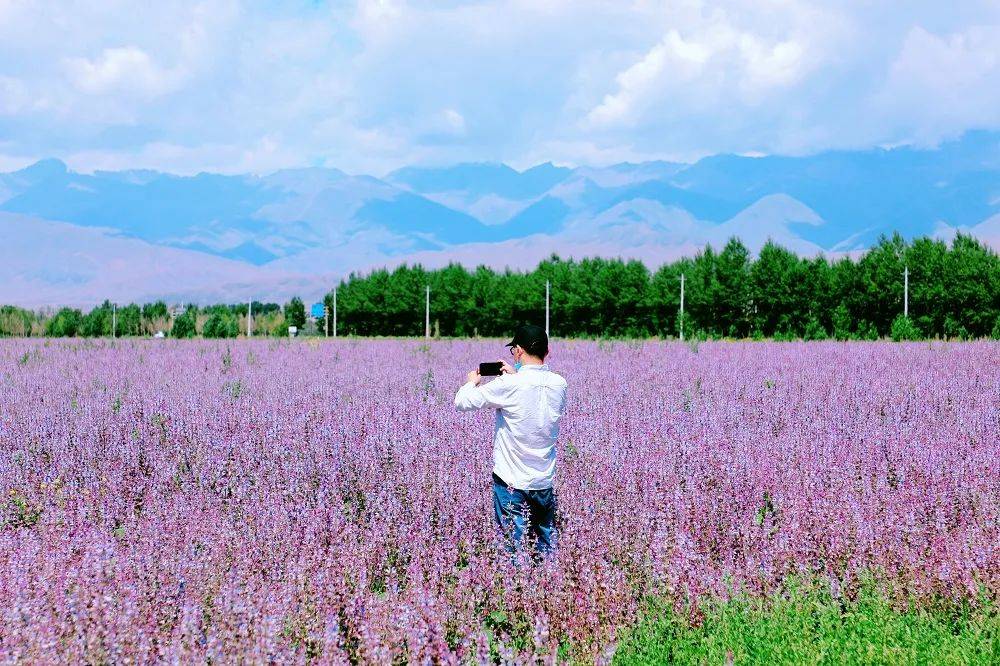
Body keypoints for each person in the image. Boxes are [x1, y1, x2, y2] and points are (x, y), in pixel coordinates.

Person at [454, 324, 568, 559]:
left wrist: (472, 382)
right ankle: (551, 591)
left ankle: (519, 591)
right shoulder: (559, 384)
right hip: (543, 481)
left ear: (518, 351)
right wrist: (515, 376)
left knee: (515, 548)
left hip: (511, 481)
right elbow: (532, 394)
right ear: (547, 352)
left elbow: (462, 402)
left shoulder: (509, 385)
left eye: (513, 350)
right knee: (546, 544)